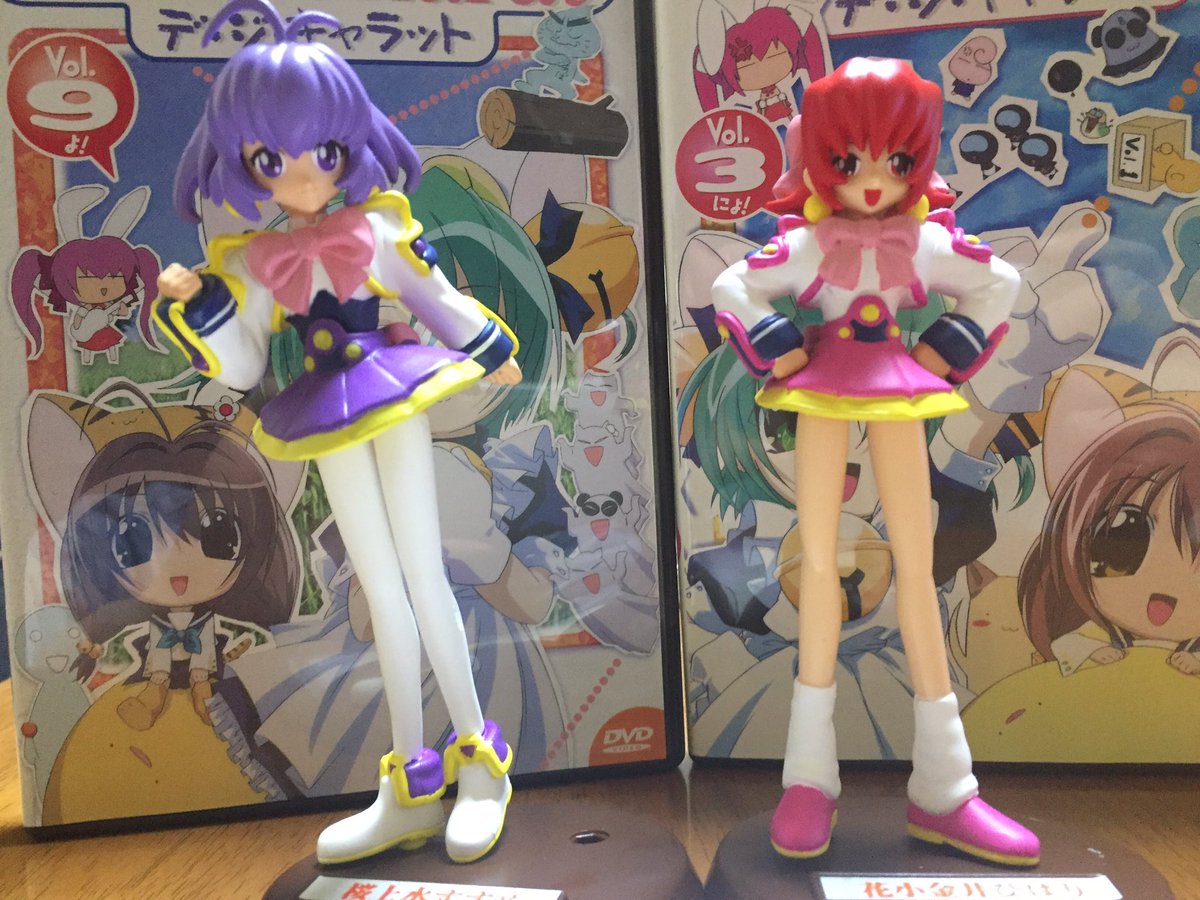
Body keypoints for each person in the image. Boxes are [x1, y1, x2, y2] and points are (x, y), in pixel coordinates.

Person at [156, 0, 520, 865]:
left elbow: (433, 296)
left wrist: (491, 350)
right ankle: (410, 782)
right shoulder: (253, 262)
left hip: (391, 384)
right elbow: (242, 365)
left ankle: (481, 766)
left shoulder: (380, 227)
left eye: (322, 152)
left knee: (425, 575)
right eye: (269, 159)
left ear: (350, 145)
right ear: (242, 162)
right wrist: (201, 305)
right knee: (379, 590)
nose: (302, 176)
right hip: (321, 405)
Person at [711, 57, 1038, 865]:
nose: (869, 182)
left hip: (898, 386)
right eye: (847, 160)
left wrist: (942, 350)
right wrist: (781, 347)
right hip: (825, 390)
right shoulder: (807, 242)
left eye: (895, 160)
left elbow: (999, 283)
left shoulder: (924, 240)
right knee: (818, 565)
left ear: (918, 159)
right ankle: (807, 778)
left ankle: (946, 785)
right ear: (818, 156)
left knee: (918, 568)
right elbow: (733, 288)